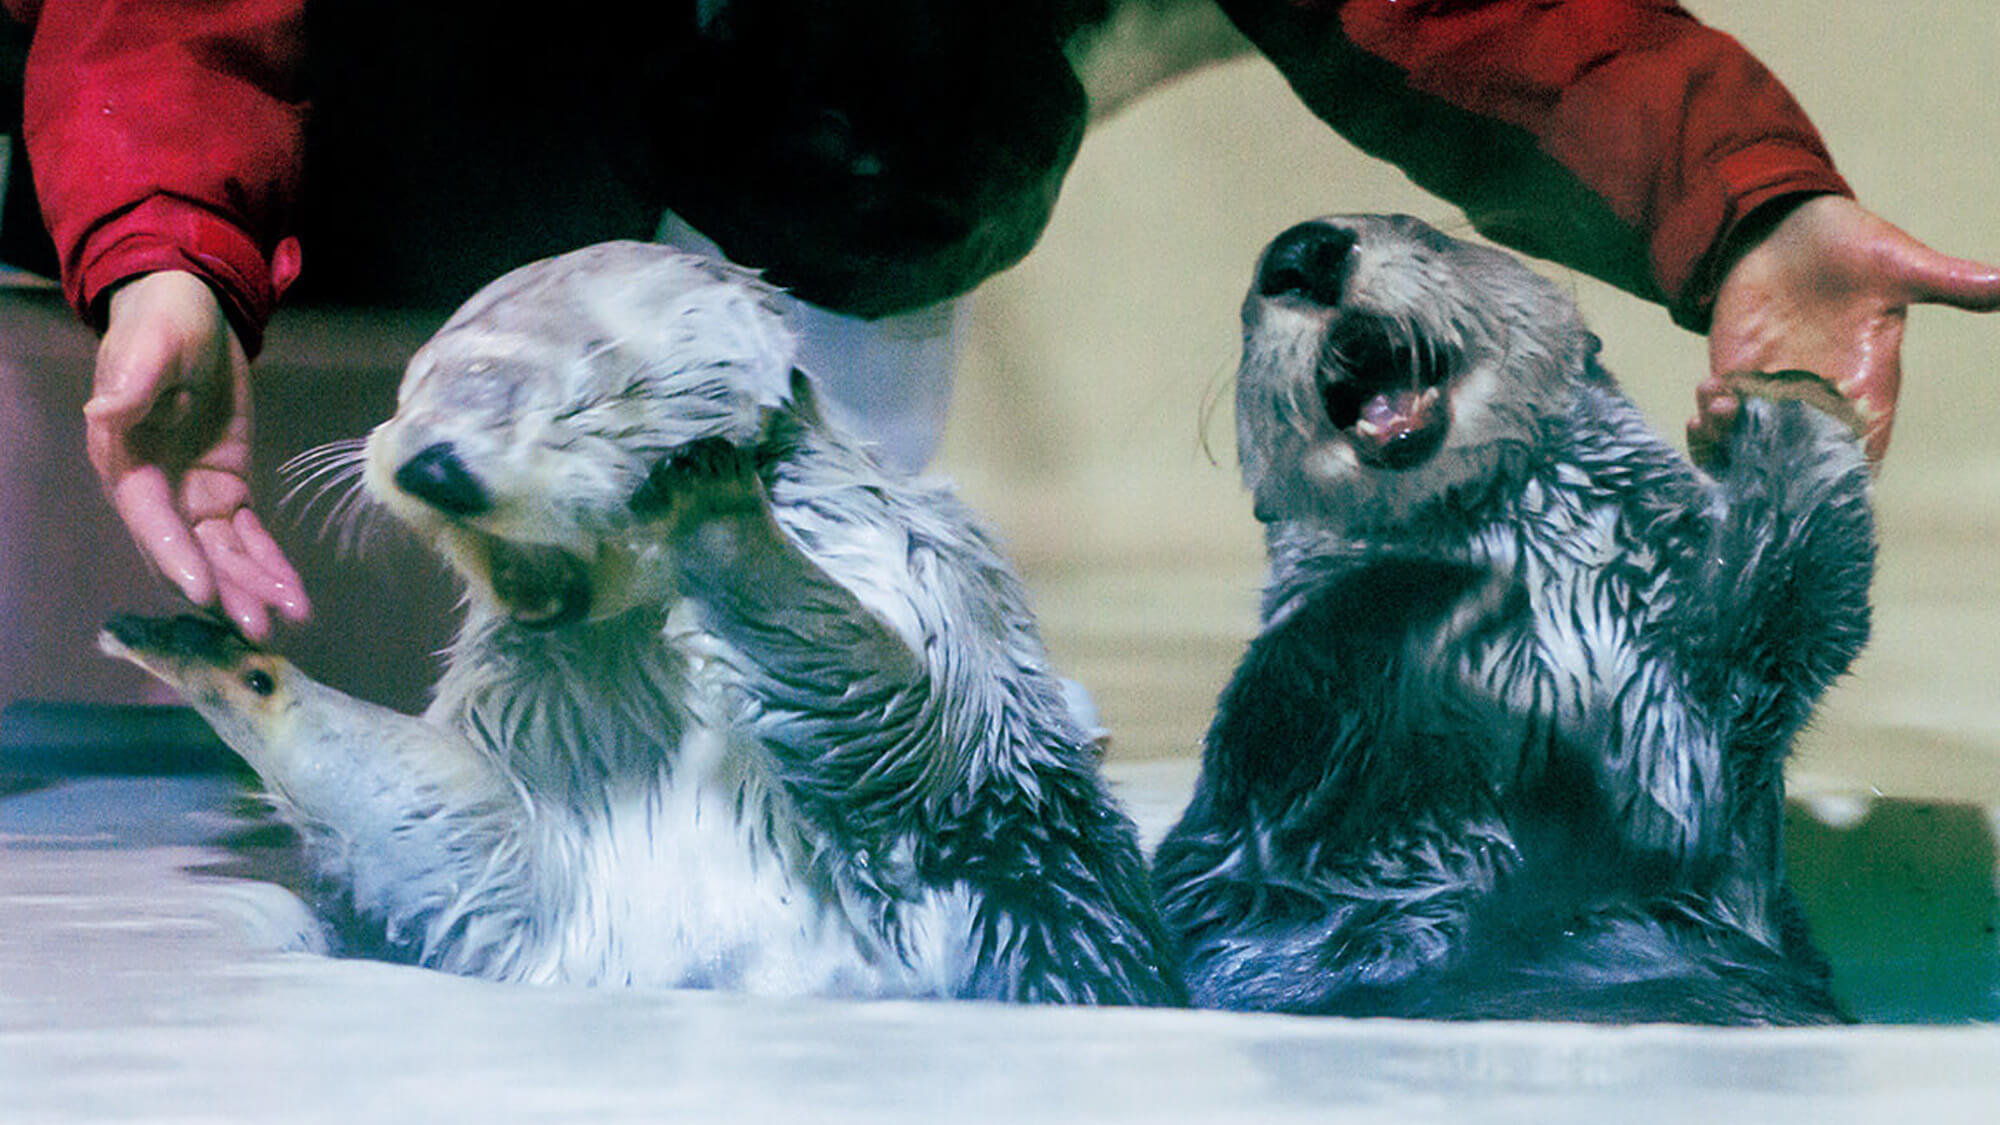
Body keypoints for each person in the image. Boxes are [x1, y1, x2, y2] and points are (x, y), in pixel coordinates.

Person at [7, 0, 1999, 641]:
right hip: (312, 141)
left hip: (751, 145)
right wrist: (158, 236)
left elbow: (1465, 14)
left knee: (891, 59)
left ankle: (794, 600)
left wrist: (1748, 203)